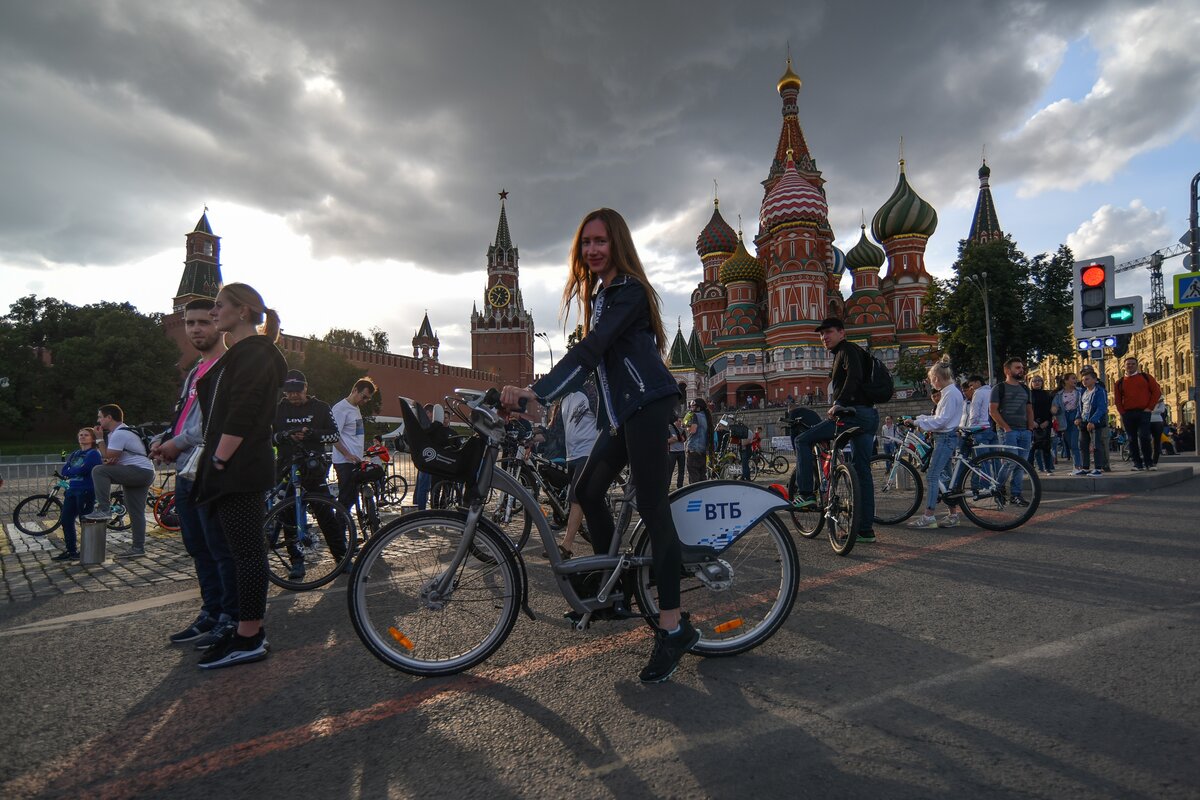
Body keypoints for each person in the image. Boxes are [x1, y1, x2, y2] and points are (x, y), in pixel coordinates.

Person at [501, 207, 695, 684]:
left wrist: (538, 390)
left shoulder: (629, 291)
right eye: (586, 242)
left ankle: (672, 629)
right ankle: (618, 590)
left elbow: (591, 353)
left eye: (601, 241)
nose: (592, 250)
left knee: (654, 510)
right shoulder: (605, 296)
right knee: (586, 493)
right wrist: (540, 394)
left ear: (618, 245)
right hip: (622, 417)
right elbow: (594, 362)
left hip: (649, 408)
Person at [192, 282, 287, 669]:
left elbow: (243, 410)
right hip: (233, 466)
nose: (214, 313)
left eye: (219, 306)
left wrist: (219, 459)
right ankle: (243, 629)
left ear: (243, 311)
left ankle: (250, 636)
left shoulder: (254, 354)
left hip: (237, 467)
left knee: (246, 553)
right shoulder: (244, 354)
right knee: (236, 551)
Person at [151, 298, 239, 648]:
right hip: (188, 470)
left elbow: (212, 424)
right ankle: (211, 612)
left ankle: (230, 618)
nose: (196, 329)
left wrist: (178, 442)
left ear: (218, 322)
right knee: (198, 546)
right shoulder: (195, 371)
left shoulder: (226, 366)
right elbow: (186, 417)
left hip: (212, 469)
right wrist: (163, 440)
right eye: (189, 323)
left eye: (203, 322)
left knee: (220, 547)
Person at [790, 317, 879, 543]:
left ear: (842, 332)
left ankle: (806, 494)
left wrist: (840, 401)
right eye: (821, 335)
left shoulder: (846, 350)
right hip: (869, 416)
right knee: (862, 472)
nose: (824, 337)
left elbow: (854, 377)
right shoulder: (856, 351)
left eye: (828, 332)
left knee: (802, 440)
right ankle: (865, 530)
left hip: (850, 414)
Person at [272, 369, 346, 579]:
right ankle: (296, 561)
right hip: (287, 468)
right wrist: (284, 435)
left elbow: (333, 435)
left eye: (297, 391)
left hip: (314, 470)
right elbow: (269, 437)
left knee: (326, 516)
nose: (293, 395)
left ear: (306, 388)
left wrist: (311, 433)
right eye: (289, 392)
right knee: (289, 518)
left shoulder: (320, 407)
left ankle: (341, 557)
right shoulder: (278, 409)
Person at [84, 404, 156, 558]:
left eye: (100, 417)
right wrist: (111, 460)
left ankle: (104, 509)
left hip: (138, 471)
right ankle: (138, 548)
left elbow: (107, 455)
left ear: (109, 418)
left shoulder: (119, 434)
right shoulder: (120, 432)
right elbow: (114, 458)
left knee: (98, 470)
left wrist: (98, 439)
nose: (98, 420)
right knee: (136, 512)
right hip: (145, 472)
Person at [906, 362, 965, 528]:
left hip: (945, 438)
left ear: (937, 378)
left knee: (932, 476)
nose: (931, 383)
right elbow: (940, 418)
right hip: (946, 437)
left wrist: (919, 422)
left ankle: (929, 516)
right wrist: (921, 418)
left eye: (931, 380)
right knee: (945, 478)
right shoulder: (950, 392)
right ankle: (953, 515)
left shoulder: (950, 394)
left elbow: (942, 421)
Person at [557, 380, 600, 559]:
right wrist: (531, 440)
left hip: (589, 452)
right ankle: (605, 542)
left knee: (577, 497)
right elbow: (556, 429)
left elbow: (604, 419)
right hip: (571, 456)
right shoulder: (564, 399)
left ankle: (566, 545)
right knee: (590, 503)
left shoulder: (590, 391)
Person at [51, 428, 103, 561]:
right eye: (80, 435)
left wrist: (73, 471)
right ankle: (71, 551)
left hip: (86, 490)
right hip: (72, 490)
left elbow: (86, 469)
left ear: (92, 439)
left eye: (86, 435)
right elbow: (64, 470)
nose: (83, 437)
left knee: (85, 522)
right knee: (66, 520)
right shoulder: (75, 453)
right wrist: (76, 471)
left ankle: (87, 551)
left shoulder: (94, 453)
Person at [989, 357, 1034, 504]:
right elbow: (993, 411)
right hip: (1008, 431)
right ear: (1007, 371)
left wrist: (1030, 428)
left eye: (1021, 368)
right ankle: (998, 489)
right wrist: (1006, 428)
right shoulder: (999, 388)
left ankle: (1016, 495)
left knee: (1021, 465)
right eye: (1017, 368)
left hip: (1024, 431)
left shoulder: (1025, 388)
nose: (1021, 370)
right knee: (1010, 463)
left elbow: (1029, 409)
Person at [331, 378, 377, 512]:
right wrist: (347, 454)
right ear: (355, 390)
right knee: (346, 500)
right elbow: (334, 437)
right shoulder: (340, 409)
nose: (365, 401)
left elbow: (356, 434)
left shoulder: (356, 408)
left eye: (368, 399)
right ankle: (340, 529)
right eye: (364, 397)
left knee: (353, 496)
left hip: (356, 460)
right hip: (344, 462)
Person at [1113, 357, 1162, 472]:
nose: (1130, 366)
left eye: (1132, 364)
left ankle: (1149, 463)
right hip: (1128, 413)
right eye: (1128, 364)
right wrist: (1122, 412)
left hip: (1143, 412)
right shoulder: (1119, 382)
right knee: (1131, 439)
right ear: (1124, 366)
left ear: (1137, 365)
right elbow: (1118, 399)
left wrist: (1149, 408)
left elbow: (1156, 392)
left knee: (1144, 436)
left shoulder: (1146, 377)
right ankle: (1137, 464)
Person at [1051, 373, 1085, 475]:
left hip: (1076, 417)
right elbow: (1054, 407)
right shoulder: (1059, 394)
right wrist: (1054, 410)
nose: (1076, 380)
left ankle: (1078, 466)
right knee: (1070, 444)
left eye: (1076, 378)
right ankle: (1077, 466)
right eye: (1073, 378)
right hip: (1064, 419)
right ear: (1065, 381)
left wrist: (1080, 416)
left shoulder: (1080, 391)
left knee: (1074, 444)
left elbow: (1084, 404)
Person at [1077, 369, 1109, 477]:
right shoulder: (1082, 392)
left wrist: (1093, 420)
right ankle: (1085, 467)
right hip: (1083, 422)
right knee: (1083, 445)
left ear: (1095, 380)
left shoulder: (1100, 391)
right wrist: (1078, 417)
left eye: (1087, 379)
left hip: (1095, 422)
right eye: (1083, 380)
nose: (1084, 381)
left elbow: (1102, 408)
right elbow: (1080, 407)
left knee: (1096, 445)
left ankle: (1098, 468)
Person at [1029, 375, 1055, 474]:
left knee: (1046, 447)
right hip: (1032, 423)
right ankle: (1030, 468)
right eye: (1034, 381)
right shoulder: (1029, 394)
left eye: (1039, 380)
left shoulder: (1047, 394)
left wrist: (1048, 421)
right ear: (1031, 383)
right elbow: (1026, 410)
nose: (1037, 382)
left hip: (1045, 423)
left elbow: (1051, 410)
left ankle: (1048, 468)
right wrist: (1031, 421)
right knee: (1032, 448)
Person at [686, 398, 712, 484]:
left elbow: (693, 430)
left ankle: (695, 495)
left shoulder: (695, 416)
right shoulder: (707, 417)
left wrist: (686, 427)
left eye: (692, 406)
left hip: (694, 449)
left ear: (698, 407)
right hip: (703, 450)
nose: (690, 408)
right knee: (702, 477)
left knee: (694, 478)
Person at [666, 412, 687, 490]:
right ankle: (667, 485)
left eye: (680, 421)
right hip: (672, 452)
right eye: (678, 421)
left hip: (681, 451)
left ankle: (680, 486)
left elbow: (684, 439)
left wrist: (677, 439)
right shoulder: (669, 429)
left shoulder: (682, 430)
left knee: (681, 470)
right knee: (670, 470)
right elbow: (666, 440)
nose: (679, 423)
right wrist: (673, 440)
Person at [1149, 398, 1168, 465]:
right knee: (1145, 441)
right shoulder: (1145, 395)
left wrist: (1150, 410)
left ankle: (1154, 462)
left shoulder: (1160, 398)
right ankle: (1148, 460)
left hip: (1158, 421)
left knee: (1156, 442)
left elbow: (1162, 410)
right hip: (1147, 421)